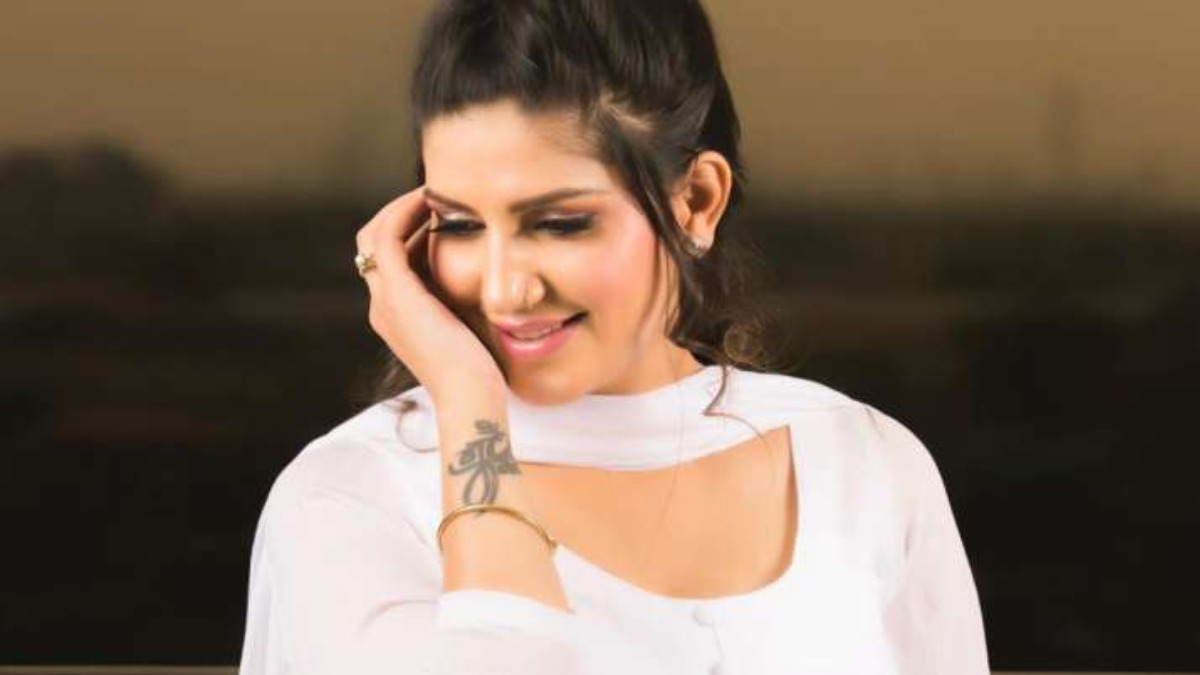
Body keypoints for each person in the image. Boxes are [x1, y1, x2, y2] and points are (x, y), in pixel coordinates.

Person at [237, 0, 990, 673]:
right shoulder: (350, 492)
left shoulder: (862, 462)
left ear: (697, 201)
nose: (502, 290)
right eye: (460, 225)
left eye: (561, 223)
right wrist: (467, 403)